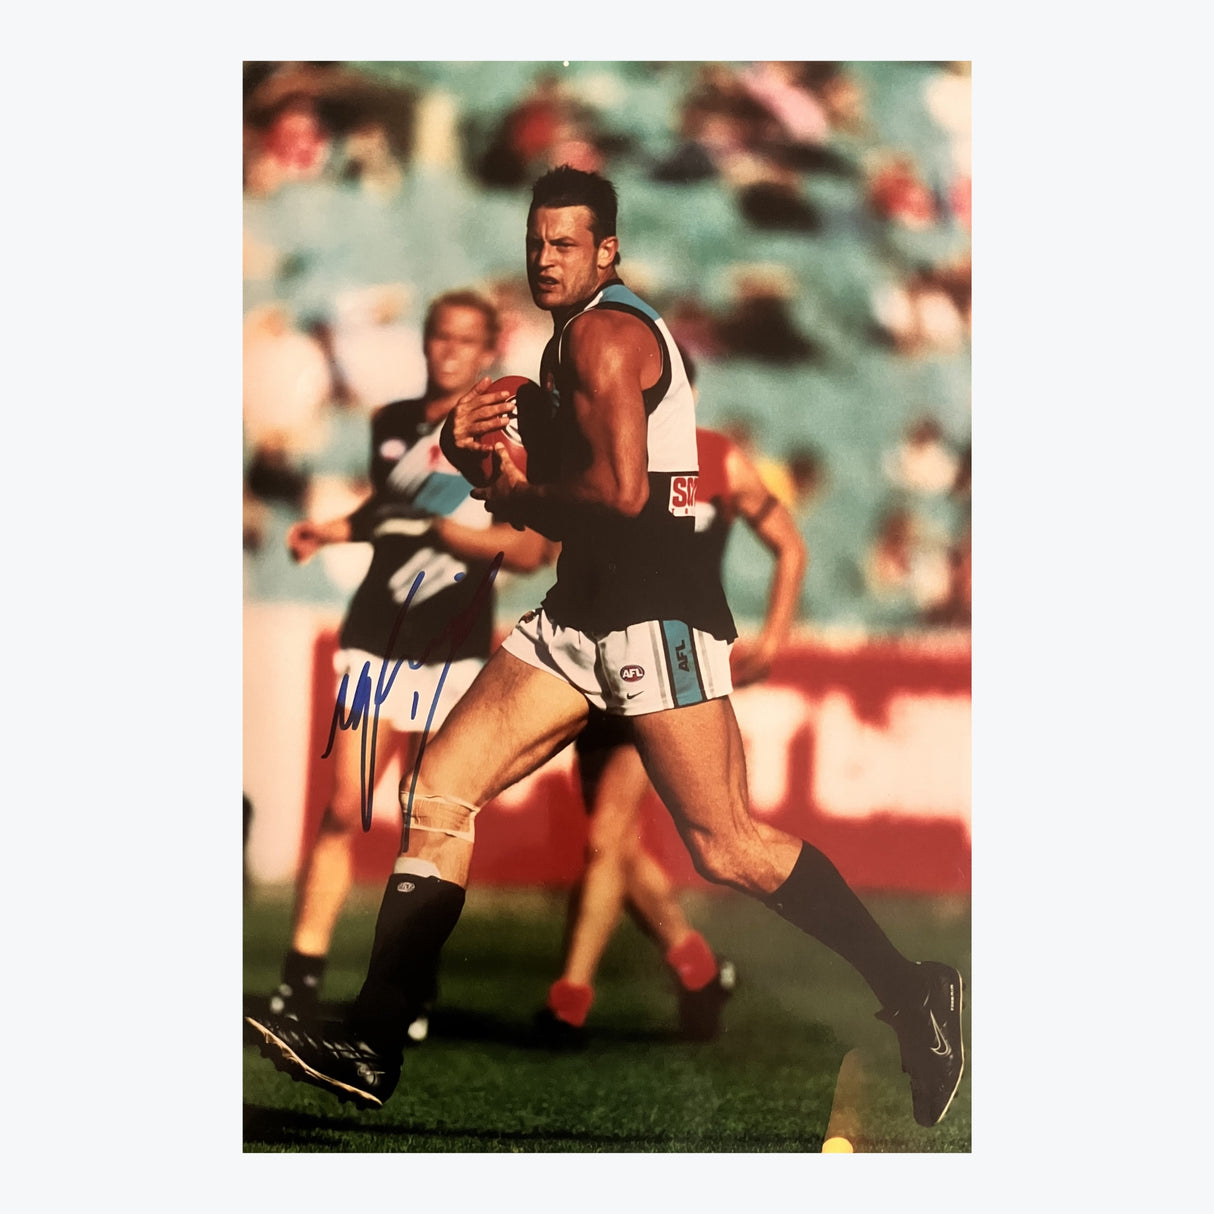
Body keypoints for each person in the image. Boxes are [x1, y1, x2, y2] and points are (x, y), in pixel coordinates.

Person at [247, 166, 965, 1130]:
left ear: (608, 250)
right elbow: (577, 489)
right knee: (440, 787)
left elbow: (621, 498)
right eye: (535, 242)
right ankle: (374, 1039)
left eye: (566, 243)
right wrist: (470, 457)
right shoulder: (571, 341)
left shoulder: (605, 338)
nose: (545, 258)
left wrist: (510, 492)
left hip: (651, 619)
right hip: (582, 611)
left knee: (727, 846)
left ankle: (912, 988)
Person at [263, 290, 550, 1041]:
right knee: (344, 806)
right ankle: (301, 976)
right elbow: (386, 510)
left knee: (426, 820)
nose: (449, 350)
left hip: (453, 646)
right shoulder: (391, 423)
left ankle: (407, 982)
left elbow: (531, 550)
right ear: (424, 342)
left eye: (465, 340)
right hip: (375, 635)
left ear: (488, 350)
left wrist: (450, 538)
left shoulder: (507, 440)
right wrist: (329, 531)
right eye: (439, 336)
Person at [535, 352, 809, 1047]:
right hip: (594, 663)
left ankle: (569, 999)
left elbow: (788, 545)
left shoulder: (719, 460)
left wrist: (774, 637)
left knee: (606, 837)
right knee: (618, 849)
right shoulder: (600, 464)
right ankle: (697, 968)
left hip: (666, 668)